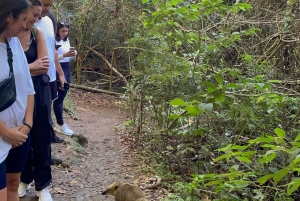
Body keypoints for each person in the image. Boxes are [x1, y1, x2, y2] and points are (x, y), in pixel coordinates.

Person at [17, 1, 54, 201]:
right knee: (22, 137)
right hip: (18, 94)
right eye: (35, 14)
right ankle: (24, 179)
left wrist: (23, 69)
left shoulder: (36, 33)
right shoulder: (11, 34)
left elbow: (44, 66)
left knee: (41, 137)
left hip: (39, 91)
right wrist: (30, 66)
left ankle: (42, 185)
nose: (37, 19)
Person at [0, 1, 35, 201]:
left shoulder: (14, 44)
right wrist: (7, 133)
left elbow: (28, 88)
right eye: (23, 19)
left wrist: (27, 124)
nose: (25, 25)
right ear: (8, 16)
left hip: (21, 132)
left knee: (14, 182)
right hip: (3, 135)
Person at [35, 0, 66, 144]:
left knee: (47, 111)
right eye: (45, 4)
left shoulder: (49, 20)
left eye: (50, 6)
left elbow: (52, 49)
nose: (47, 9)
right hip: (36, 77)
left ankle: (49, 139)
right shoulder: (27, 21)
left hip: (50, 76)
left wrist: (60, 73)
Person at [53, 19, 76, 136]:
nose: (65, 33)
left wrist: (72, 54)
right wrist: (64, 55)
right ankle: (60, 124)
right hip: (58, 69)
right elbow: (53, 58)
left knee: (63, 94)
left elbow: (67, 57)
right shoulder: (54, 40)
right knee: (59, 97)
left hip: (67, 68)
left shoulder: (66, 40)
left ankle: (59, 122)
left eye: (67, 31)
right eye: (63, 31)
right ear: (57, 30)